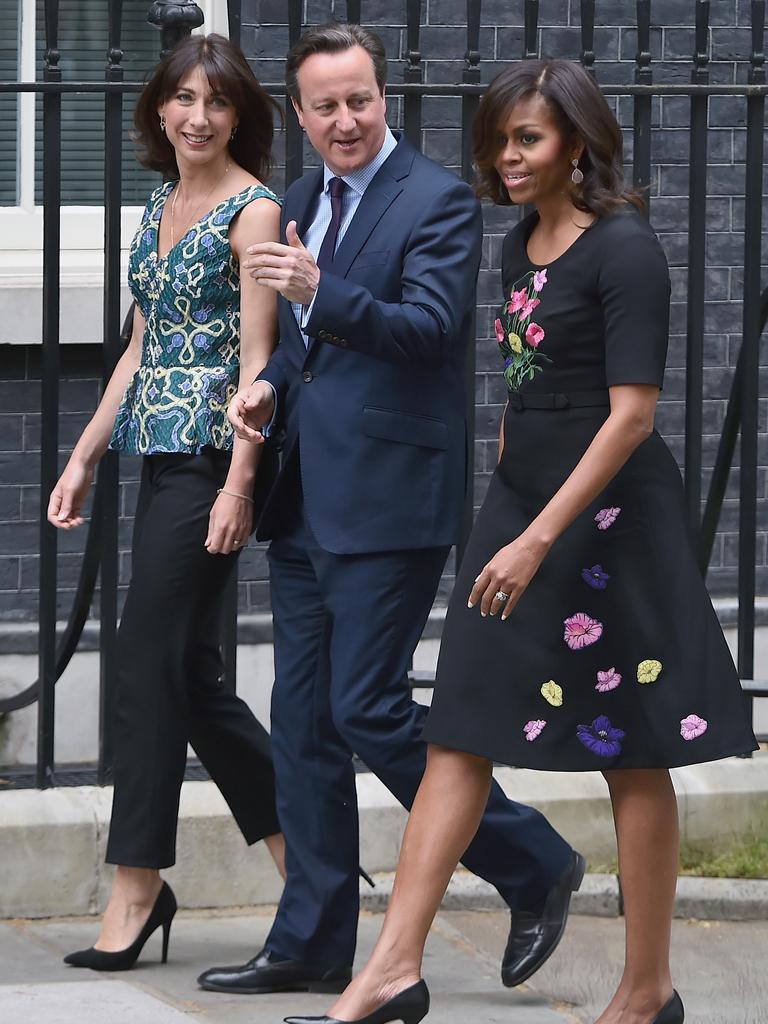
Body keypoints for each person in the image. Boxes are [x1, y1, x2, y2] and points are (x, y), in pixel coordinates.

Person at [287, 58, 760, 1024]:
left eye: (528, 138)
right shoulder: (517, 248)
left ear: (576, 143)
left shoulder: (626, 250)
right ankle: (389, 972)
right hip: (522, 510)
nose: (507, 155)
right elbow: (522, 394)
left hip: (609, 522)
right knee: (458, 727)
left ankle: (645, 990)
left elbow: (630, 415)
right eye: (499, 138)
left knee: (632, 750)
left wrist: (540, 535)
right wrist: (505, 505)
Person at [197, 23, 583, 1001]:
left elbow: (425, 330)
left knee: (366, 709)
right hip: (303, 498)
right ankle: (313, 937)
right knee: (304, 721)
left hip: (392, 502)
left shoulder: (438, 200)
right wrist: (268, 387)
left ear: (385, 97)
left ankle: (533, 859)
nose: (345, 121)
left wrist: (322, 290)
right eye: (324, 106)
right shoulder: (297, 199)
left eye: (359, 100)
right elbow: (303, 344)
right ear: (299, 113)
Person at [48, 33, 287, 971]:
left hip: (210, 463)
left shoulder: (253, 210)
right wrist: (79, 459)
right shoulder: (157, 206)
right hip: (154, 455)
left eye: (217, 102)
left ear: (238, 116)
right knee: (189, 677)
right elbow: (140, 351)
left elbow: (260, 363)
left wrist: (240, 480)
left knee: (146, 663)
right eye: (183, 98)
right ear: (160, 109)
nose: (198, 115)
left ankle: (137, 882)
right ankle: (303, 859)